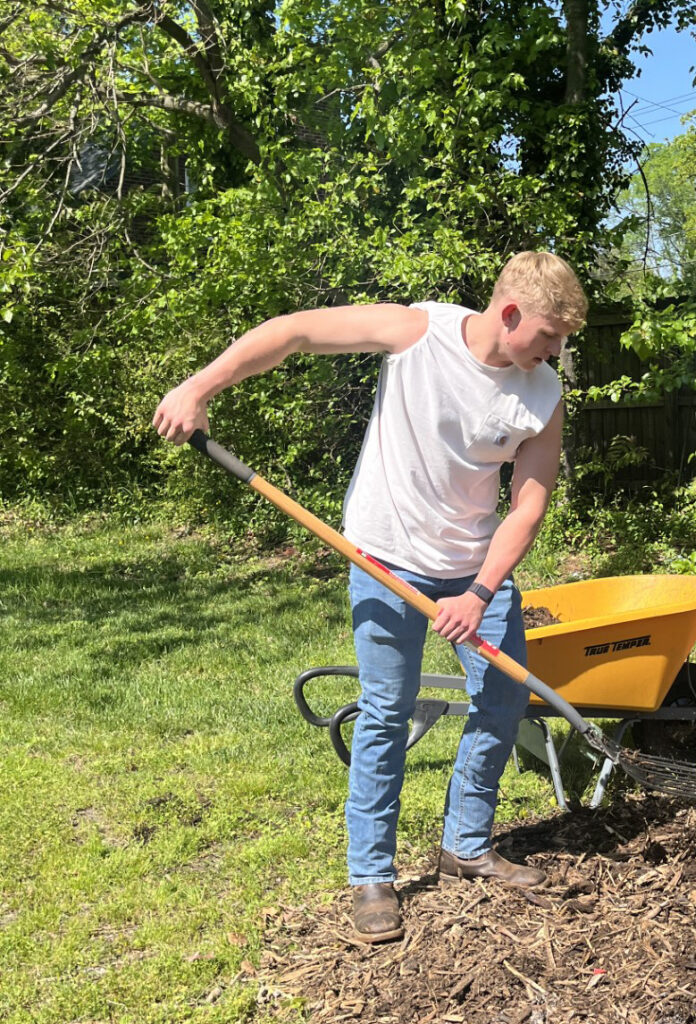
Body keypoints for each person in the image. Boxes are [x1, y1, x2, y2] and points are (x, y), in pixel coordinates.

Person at [153, 251, 588, 942]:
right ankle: (371, 878)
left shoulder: (540, 393)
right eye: (548, 336)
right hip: (387, 559)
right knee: (387, 712)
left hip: (477, 570)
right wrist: (198, 388)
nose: (556, 351)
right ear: (508, 314)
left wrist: (479, 591)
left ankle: (466, 847)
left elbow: (528, 506)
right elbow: (292, 330)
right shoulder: (416, 333)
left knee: (503, 701)